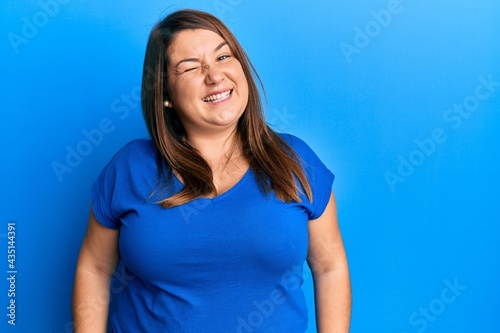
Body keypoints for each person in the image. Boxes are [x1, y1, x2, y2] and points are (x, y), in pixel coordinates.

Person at [72, 9, 351, 333]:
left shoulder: (295, 160)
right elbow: (94, 267)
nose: (214, 75)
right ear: (165, 95)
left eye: (223, 57)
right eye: (190, 66)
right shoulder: (130, 168)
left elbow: (330, 266)